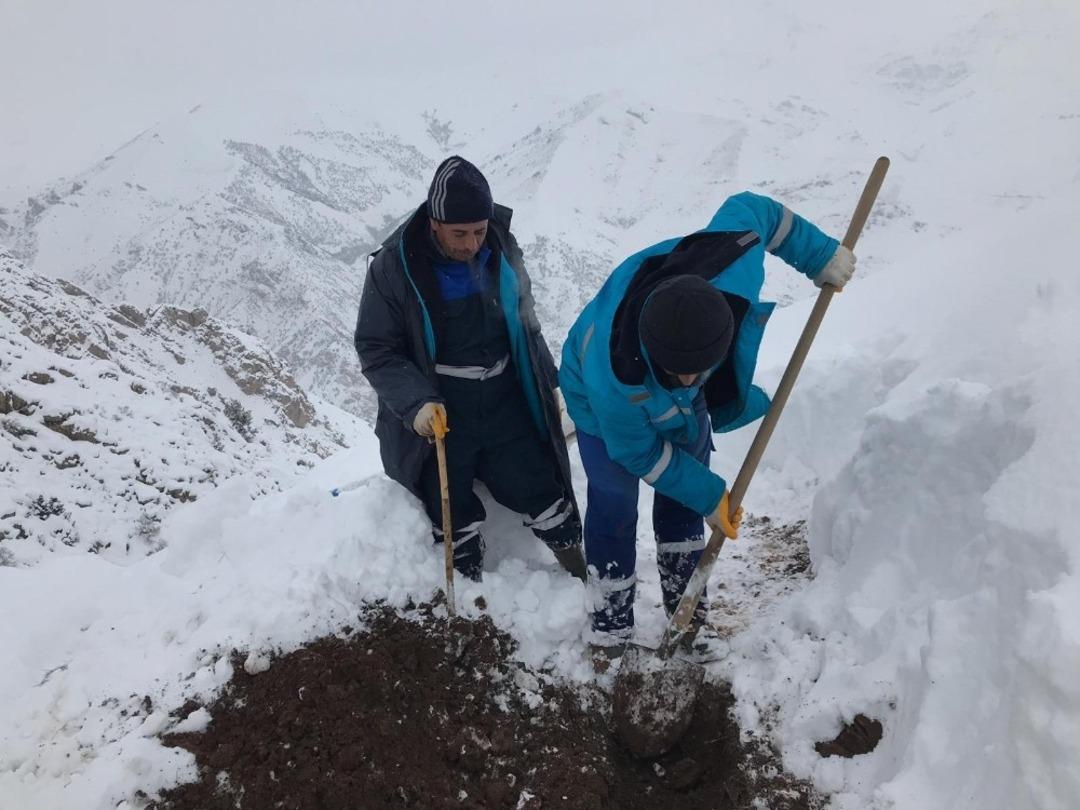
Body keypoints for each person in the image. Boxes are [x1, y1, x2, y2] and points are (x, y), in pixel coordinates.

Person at [558, 191, 856, 662]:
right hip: (596, 401)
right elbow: (640, 454)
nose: (694, 379)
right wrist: (711, 493)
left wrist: (820, 256)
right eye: (683, 372)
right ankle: (611, 622)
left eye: (702, 368)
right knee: (615, 498)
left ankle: (687, 615)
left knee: (682, 499)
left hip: (676, 396)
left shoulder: (731, 267)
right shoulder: (615, 377)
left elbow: (757, 211)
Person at [354, 156, 585, 583]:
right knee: (449, 506)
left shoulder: (500, 247)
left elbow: (526, 325)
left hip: (503, 396)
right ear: (434, 222)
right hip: (442, 403)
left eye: (478, 231)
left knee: (541, 485)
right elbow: (377, 348)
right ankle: (475, 595)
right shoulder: (395, 267)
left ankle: (577, 575)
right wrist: (417, 403)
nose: (470, 244)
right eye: (459, 233)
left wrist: (548, 381)